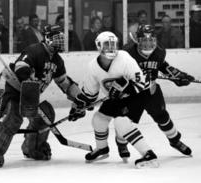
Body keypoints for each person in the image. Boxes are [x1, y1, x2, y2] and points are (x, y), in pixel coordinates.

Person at [0, 25, 82, 167]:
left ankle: (33, 148)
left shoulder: (57, 61)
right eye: (56, 38)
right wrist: (27, 77)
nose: (59, 41)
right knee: (13, 117)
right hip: (10, 86)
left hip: (29, 92)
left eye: (61, 39)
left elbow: (65, 82)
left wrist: (80, 99)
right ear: (46, 38)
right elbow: (21, 66)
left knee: (46, 113)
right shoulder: (35, 50)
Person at [68, 31, 159, 168]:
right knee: (98, 119)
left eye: (113, 44)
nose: (111, 48)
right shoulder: (93, 66)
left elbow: (141, 84)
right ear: (98, 46)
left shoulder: (124, 58)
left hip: (136, 96)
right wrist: (79, 106)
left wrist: (124, 88)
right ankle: (102, 148)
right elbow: (90, 94)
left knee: (121, 123)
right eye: (107, 45)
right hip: (114, 97)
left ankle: (148, 154)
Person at [116, 24, 195, 161]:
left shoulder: (159, 52)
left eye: (151, 40)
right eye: (144, 40)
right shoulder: (127, 53)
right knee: (124, 121)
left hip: (151, 90)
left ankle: (175, 141)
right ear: (137, 40)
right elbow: (118, 72)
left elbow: (163, 66)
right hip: (132, 93)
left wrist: (179, 76)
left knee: (162, 116)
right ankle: (121, 143)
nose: (148, 44)